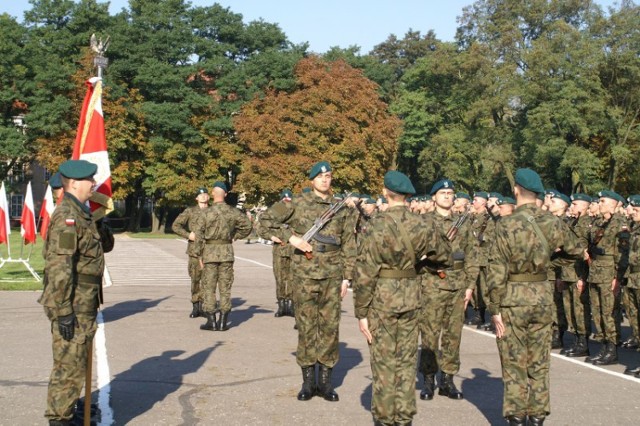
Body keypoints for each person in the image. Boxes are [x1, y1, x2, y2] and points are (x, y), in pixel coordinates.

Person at [487, 168, 584, 426]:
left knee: (513, 360)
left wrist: (494, 308)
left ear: (516, 190)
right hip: (541, 296)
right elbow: (576, 250)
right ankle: (538, 414)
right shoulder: (552, 222)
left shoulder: (505, 224)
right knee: (540, 360)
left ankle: (517, 416)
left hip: (512, 298)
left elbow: (496, 269)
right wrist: (551, 263)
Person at [354, 171, 450, 426]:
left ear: (386, 193)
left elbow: (364, 273)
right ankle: (404, 416)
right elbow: (446, 257)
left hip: (382, 299)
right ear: (408, 195)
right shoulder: (422, 223)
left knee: (384, 362)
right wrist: (420, 266)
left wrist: (361, 312)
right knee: (406, 362)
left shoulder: (376, 224)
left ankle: (385, 417)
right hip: (410, 297)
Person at [258, 161, 356, 402]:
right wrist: (291, 238)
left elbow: (349, 245)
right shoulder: (297, 204)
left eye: (329, 176)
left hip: (333, 275)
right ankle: (308, 382)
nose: (325, 180)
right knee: (306, 326)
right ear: (312, 180)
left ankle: (325, 383)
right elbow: (264, 221)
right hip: (303, 275)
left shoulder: (341, 208)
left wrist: (347, 277)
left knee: (330, 328)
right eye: (320, 176)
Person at [38, 159, 114, 426]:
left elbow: (106, 247)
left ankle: (67, 413)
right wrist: (64, 311)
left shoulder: (82, 214)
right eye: (89, 180)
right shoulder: (67, 217)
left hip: (83, 300)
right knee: (68, 366)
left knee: (76, 363)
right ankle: (59, 419)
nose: (94, 184)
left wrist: (101, 223)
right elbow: (60, 267)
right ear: (73, 183)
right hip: (71, 302)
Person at [418, 179, 473, 401]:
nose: (447, 196)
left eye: (450, 193)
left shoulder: (463, 223)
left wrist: (470, 286)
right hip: (432, 283)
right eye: (442, 192)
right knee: (429, 334)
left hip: (458, 283)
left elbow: (472, 256)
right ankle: (428, 380)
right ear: (434, 197)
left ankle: (448, 380)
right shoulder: (424, 222)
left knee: (453, 335)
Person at [194, 181, 252, 331]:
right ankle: (223, 322)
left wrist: (198, 255)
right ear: (225, 194)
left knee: (209, 287)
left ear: (213, 194)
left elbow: (199, 235)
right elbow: (248, 226)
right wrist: (234, 236)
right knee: (225, 287)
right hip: (226, 251)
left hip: (210, 252)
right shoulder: (233, 212)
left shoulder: (205, 213)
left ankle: (211, 321)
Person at [584, 190, 627, 365]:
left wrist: (618, 277)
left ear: (613, 203)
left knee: (609, 312)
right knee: (598, 311)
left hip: (609, 272)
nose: (599, 204)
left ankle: (612, 349)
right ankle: (604, 346)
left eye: (603, 201)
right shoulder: (599, 222)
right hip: (595, 271)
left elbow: (622, 253)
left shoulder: (620, 224)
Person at [172, 187, 211, 318]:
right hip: (195, 250)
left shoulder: (213, 211)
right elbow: (176, 226)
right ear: (196, 198)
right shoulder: (190, 211)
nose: (204, 197)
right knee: (195, 279)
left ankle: (205, 306)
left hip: (210, 250)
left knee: (208, 280)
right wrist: (188, 235)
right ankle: (195, 305)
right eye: (201, 195)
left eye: (206, 194)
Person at [562, 194, 592, 357]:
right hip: (568, 271)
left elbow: (586, 253)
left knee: (580, 309)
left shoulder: (587, 224)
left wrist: (583, 277)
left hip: (579, 272)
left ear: (584, 206)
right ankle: (576, 339)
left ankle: (583, 342)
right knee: (570, 309)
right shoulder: (573, 222)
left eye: (575, 204)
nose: (571, 207)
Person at [256, 189, 295, 317]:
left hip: (294, 248)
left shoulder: (296, 210)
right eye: (285, 200)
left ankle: (291, 305)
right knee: (280, 277)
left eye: (289, 199)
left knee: (292, 278)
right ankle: (282, 305)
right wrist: (272, 237)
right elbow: (261, 227)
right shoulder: (277, 210)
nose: (287, 202)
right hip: (279, 247)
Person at [623, 195, 640, 376]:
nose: (632, 212)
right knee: (635, 321)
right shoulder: (635, 228)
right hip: (633, 277)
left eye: (636, 210)